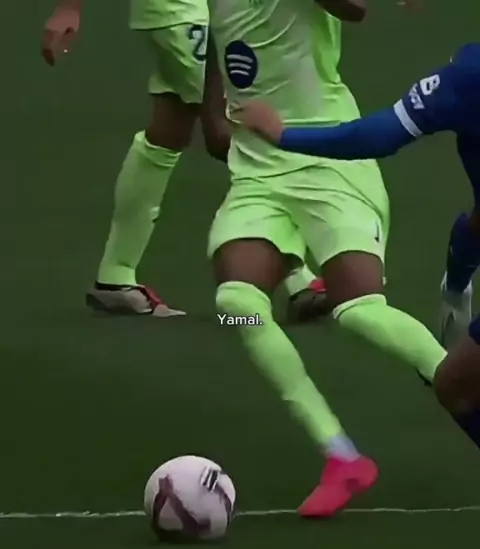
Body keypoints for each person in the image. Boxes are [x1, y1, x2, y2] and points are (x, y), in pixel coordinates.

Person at [206, 0, 448, 516]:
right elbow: (220, 39)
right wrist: (214, 107)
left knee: (358, 310)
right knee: (236, 307)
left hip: (330, 160)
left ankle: (456, 376)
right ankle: (341, 457)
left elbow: (353, 9)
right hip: (257, 173)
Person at [238, 42, 480, 445]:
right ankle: (456, 288)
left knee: (454, 385)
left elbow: (377, 135)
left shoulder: (469, 75)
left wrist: (283, 135)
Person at [41, 0, 324, 319]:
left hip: (188, 13)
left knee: (170, 128)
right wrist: (69, 8)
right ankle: (297, 277)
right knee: (239, 127)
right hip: (179, 14)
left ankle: (115, 275)